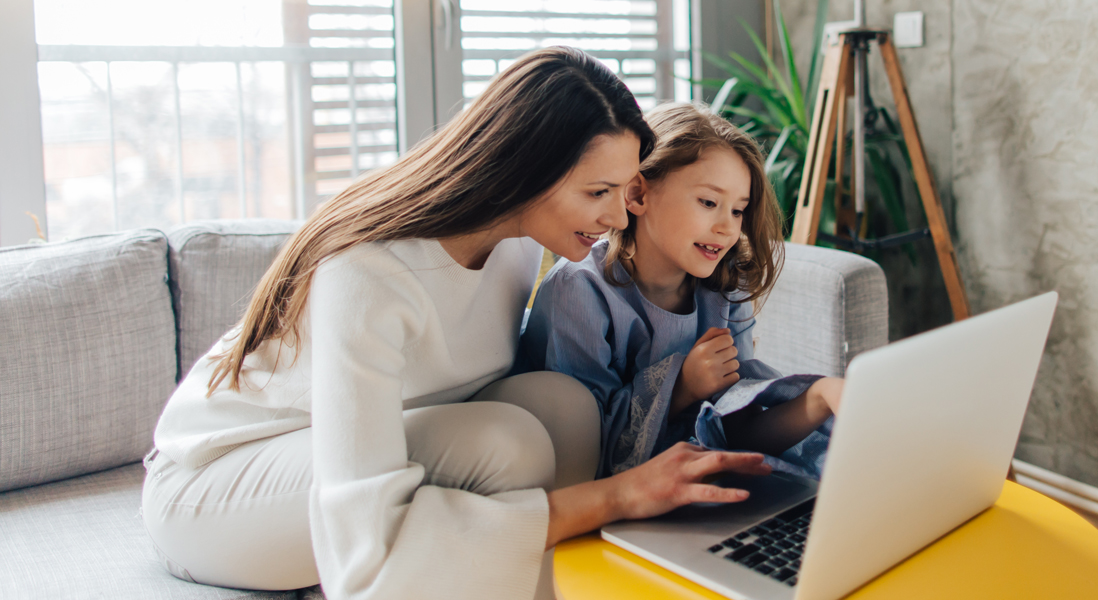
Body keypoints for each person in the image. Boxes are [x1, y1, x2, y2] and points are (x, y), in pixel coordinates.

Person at [141, 48, 773, 600]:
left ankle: (564, 584)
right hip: (214, 489)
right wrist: (618, 496)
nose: (616, 216)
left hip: (370, 451)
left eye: (623, 190)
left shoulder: (521, 247)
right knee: (500, 440)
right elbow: (366, 550)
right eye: (596, 192)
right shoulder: (369, 274)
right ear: (529, 169)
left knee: (558, 402)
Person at [518, 102, 844, 480]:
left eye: (738, 210)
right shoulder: (578, 291)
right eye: (708, 202)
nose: (727, 228)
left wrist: (819, 397)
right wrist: (682, 387)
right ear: (638, 195)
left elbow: (738, 430)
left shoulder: (725, 286)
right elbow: (587, 454)